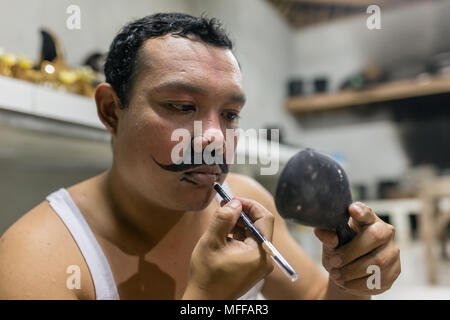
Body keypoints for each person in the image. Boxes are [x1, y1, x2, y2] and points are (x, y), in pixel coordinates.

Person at [0, 13, 400, 300]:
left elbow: (315, 296)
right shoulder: (36, 260)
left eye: (229, 115)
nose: (213, 137)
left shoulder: (246, 201)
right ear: (111, 110)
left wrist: (351, 282)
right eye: (180, 106)